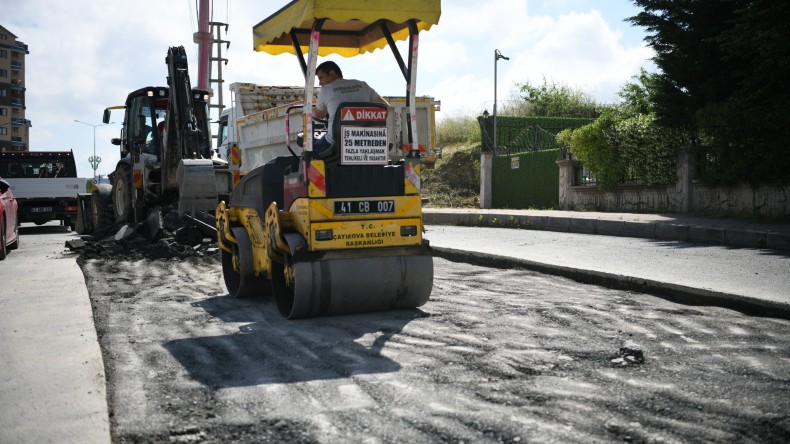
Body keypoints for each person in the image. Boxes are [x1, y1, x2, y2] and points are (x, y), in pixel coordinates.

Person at [313, 61, 390, 155]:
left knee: (310, 152)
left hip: (336, 142)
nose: (320, 83)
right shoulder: (363, 85)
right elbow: (386, 108)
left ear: (332, 73)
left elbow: (318, 114)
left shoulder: (326, 89)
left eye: (321, 78)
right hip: (365, 142)